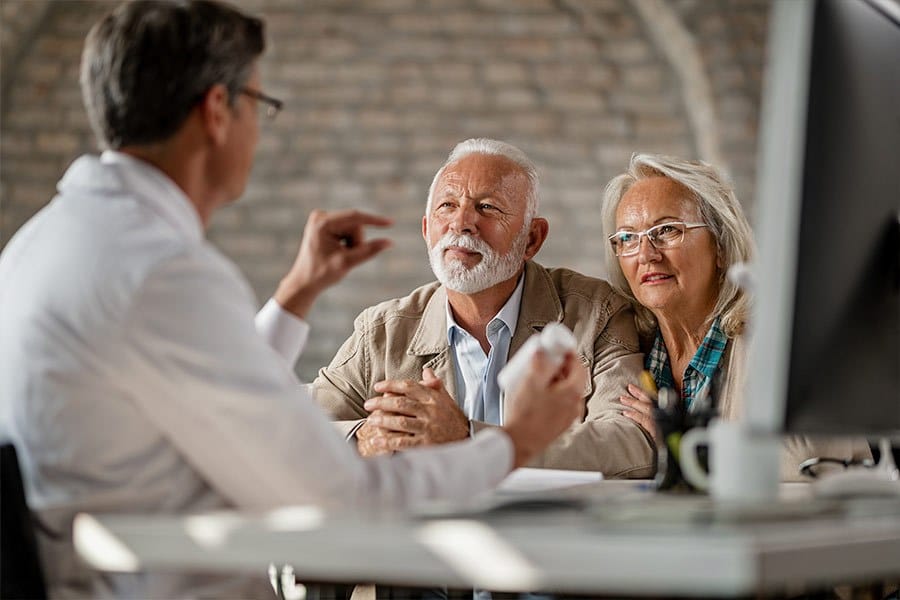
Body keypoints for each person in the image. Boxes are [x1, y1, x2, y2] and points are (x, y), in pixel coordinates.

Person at [0, 2, 587, 597]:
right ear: (218, 111)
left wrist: (294, 295)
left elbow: (196, 392)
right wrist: (513, 441)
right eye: (260, 104)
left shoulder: (39, 245)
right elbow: (341, 501)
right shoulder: (165, 273)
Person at [312, 138, 656, 477]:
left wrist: (470, 437)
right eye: (447, 205)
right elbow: (298, 429)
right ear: (426, 229)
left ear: (532, 239)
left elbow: (631, 443)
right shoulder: (383, 331)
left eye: (487, 207)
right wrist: (365, 438)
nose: (461, 223)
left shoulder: (598, 312)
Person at [599, 152, 871, 481]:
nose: (645, 254)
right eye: (627, 238)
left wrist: (681, 447)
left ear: (722, 246)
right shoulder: (631, 351)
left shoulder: (778, 334)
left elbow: (810, 456)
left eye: (667, 230)